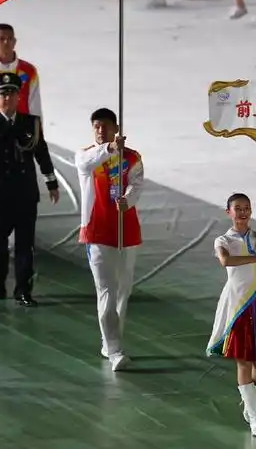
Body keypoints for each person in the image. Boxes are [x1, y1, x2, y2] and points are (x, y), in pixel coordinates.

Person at [0, 72, 60, 306]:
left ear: (19, 96)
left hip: (25, 191)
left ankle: (23, 289)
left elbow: (41, 154)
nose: (7, 98)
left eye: (11, 93)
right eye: (3, 94)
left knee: (25, 244)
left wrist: (51, 183)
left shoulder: (31, 124)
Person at [74, 108, 143, 371]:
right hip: (97, 232)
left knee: (124, 290)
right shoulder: (86, 155)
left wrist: (129, 198)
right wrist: (110, 150)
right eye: (96, 126)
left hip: (127, 231)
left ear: (116, 127)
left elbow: (137, 184)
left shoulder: (133, 157)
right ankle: (115, 350)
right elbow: (86, 164)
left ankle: (109, 340)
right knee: (106, 292)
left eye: (106, 126)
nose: (101, 131)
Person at [207, 193, 256, 438]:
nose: (243, 212)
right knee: (244, 361)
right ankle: (255, 420)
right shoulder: (222, 240)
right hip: (237, 304)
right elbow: (225, 261)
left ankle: (248, 404)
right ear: (228, 211)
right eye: (238, 208)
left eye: (247, 208)